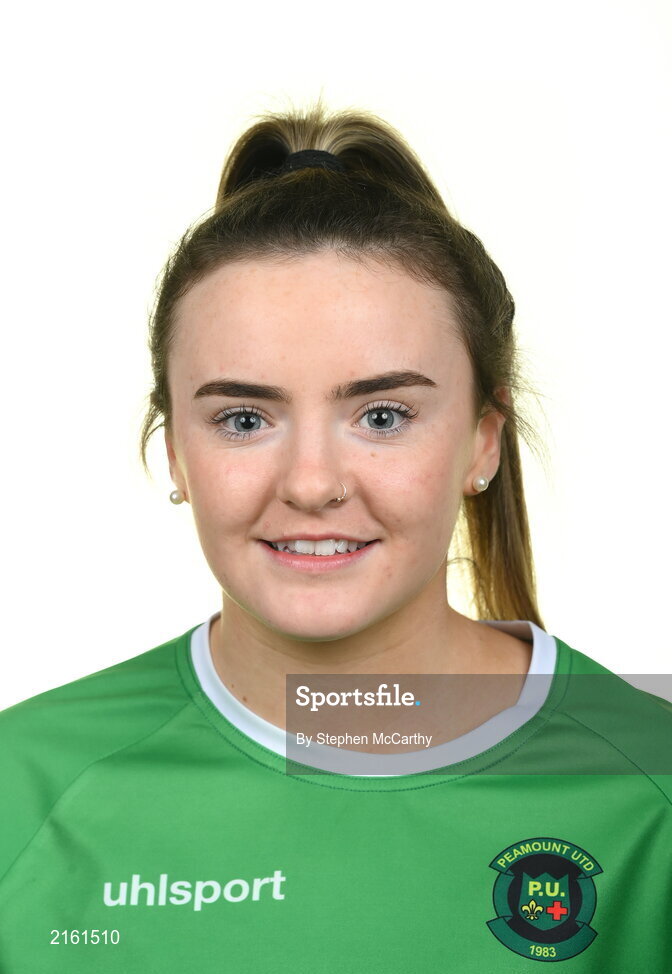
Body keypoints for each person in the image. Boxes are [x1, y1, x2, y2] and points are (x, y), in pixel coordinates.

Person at [0, 98, 670, 972]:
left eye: (383, 415)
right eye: (243, 418)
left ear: (482, 439)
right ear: (175, 454)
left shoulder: (648, 793)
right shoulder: (26, 787)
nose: (313, 483)